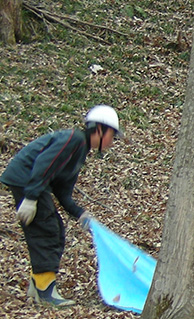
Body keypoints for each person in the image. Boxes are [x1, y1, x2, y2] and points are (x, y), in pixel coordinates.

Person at [2, 105, 122, 307]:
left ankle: (38, 284)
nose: (112, 141)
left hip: (34, 185)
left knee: (55, 229)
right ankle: (45, 292)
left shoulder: (80, 149)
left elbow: (62, 190)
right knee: (47, 231)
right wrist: (30, 198)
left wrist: (80, 213)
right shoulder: (73, 140)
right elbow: (44, 165)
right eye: (112, 134)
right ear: (99, 130)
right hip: (27, 181)